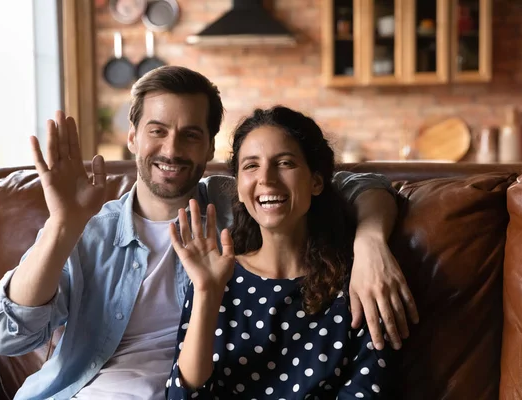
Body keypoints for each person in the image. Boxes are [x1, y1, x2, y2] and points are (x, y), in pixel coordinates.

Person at [0, 66, 416, 400]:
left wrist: (371, 244)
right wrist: (61, 226)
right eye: (157, 131)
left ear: (210, 147)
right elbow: (7, 337)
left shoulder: (238, 201)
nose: (171, 149)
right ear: (133, 137)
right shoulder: (87, 227)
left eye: (190, 135)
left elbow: (359, 185)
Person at [166, 106, 396, 399]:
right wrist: (206, 294)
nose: (267, 178)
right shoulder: (216, 277)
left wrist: (372, 241)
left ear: (316, 181)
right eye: (251, 166)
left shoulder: (360, 281)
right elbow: (182, 395)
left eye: (285, 163)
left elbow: (368, 391)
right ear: (238, 187)